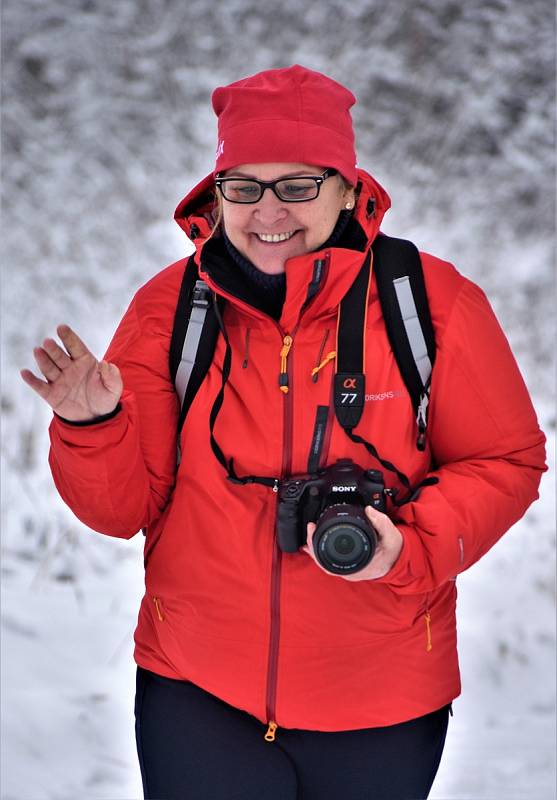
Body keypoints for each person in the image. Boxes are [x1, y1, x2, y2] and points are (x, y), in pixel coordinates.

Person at [21, 65, 546, 800]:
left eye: (297, 185)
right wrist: (93, 427)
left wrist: (411, 548)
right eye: (245, 186)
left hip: (382, 699)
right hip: (196, 694)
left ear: (346, 187)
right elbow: (120, 511)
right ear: (217, 191)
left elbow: (505, 459)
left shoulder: (429, 303)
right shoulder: (172, 309)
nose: (269, 211)